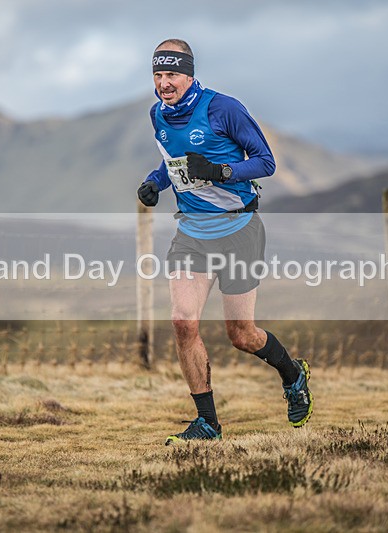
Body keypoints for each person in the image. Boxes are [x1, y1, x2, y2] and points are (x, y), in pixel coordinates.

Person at [138, 38, 313, 445]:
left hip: (239, 230)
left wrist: (220, 171)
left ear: (189, 74)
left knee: (242, 334)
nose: (165, 84)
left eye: (172, 75)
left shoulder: (223, 108)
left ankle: (293, 375)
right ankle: (207, 424)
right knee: (183, 322)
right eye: (158, 75)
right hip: (192, 234)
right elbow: (173, 164)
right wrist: (153, 183)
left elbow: (265, 162)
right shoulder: (158, 115)